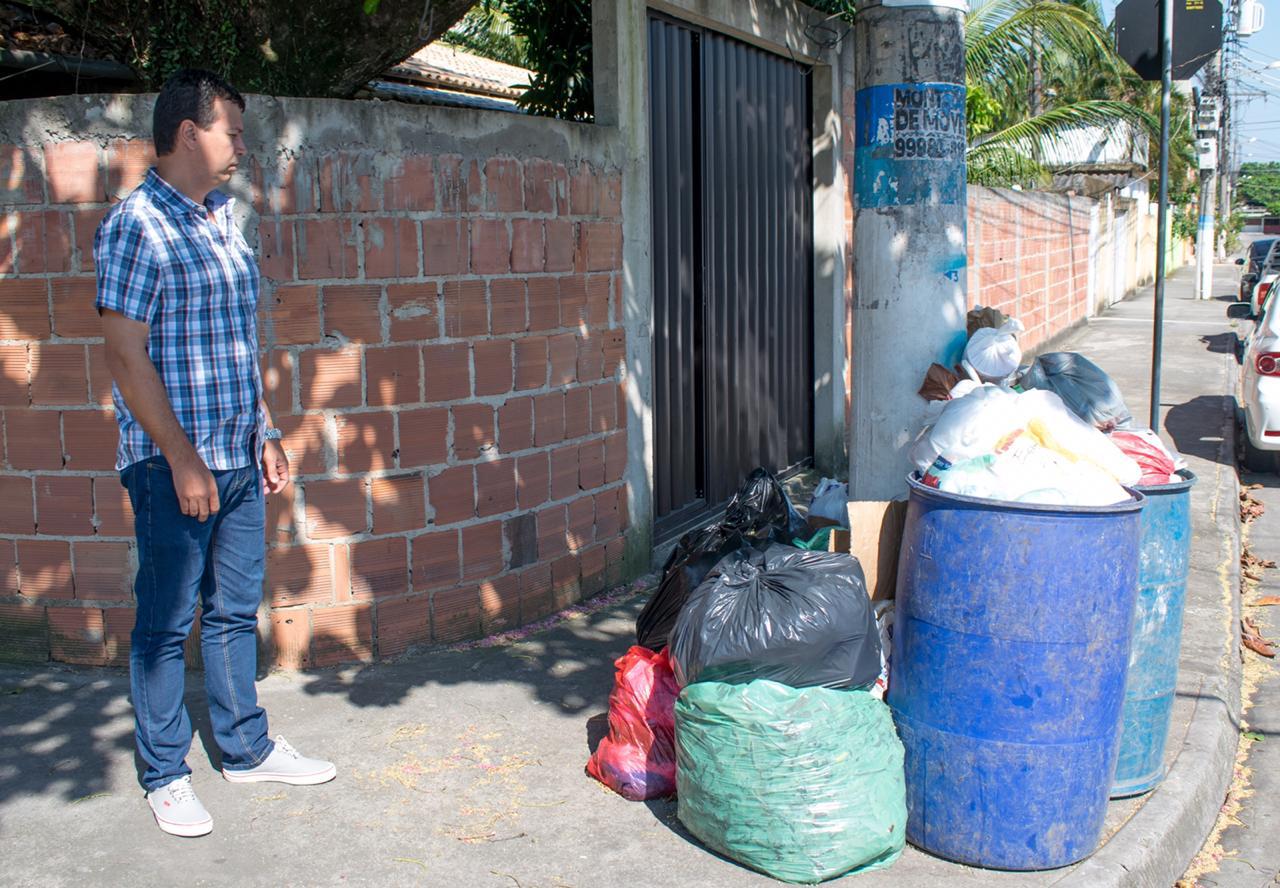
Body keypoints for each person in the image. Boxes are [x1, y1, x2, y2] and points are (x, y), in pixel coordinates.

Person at [95, 68, 335, 838]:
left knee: (233, 611)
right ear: (188, 132)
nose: (241, 146)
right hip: (175, 466)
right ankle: (165, 773)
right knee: (165, 622)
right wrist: (182, 458)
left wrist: (263, 432)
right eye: (231, 130)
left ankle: (244, 748)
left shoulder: (224, 216)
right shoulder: (135, 225)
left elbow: (238, 343)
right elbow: (126, 356)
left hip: (237, 452)